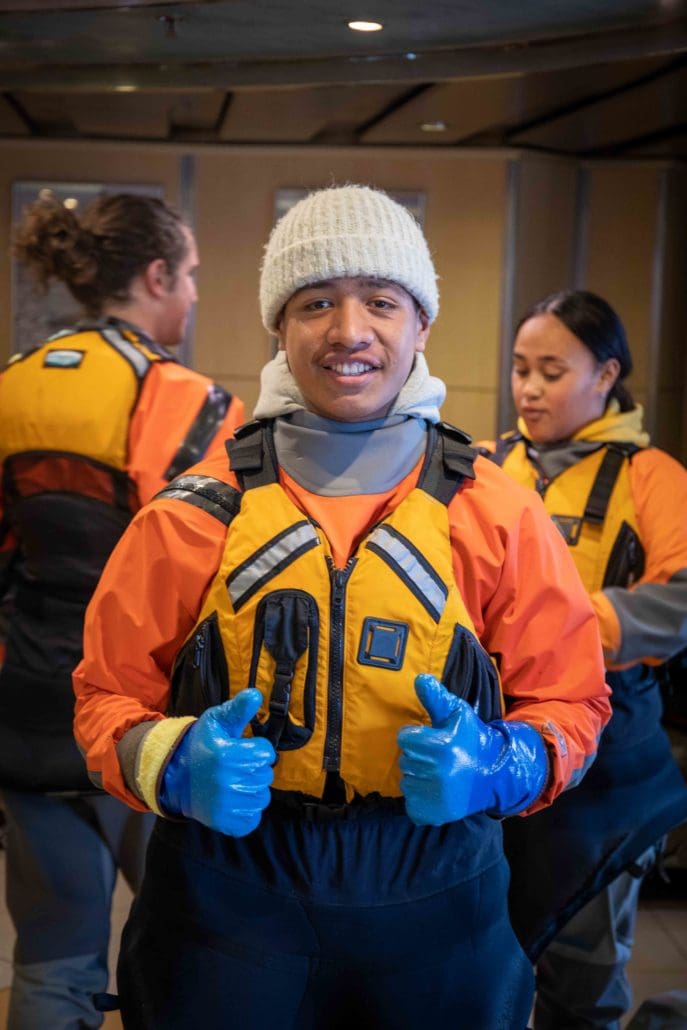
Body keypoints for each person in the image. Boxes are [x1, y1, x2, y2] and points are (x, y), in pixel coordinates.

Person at [73, 185, 611, 1030]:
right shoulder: (192, 514)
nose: (349, 330)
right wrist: (171, 762)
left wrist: (502, 763)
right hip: (225, 901)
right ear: (279, 329)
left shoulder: (495, 512)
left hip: (438, 897)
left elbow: (573, 701)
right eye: (316, 302)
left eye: (381, 302)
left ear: (421, 325)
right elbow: (104, 699)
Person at [0, 191, 245, 1029]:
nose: (195, 293)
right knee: (198, 950)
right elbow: (217, 587)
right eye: (192, 275)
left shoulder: (12, 386)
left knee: (50, 962)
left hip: (28, 711)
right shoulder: (197, 407)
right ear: (155, 274)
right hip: (149, 723)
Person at [484, 289, 687, 1029]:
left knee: (582, 973)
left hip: (605, 757)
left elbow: (682, 600)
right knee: (491, 957)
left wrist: (574, 625)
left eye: (551, 371)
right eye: (518, 369)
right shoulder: (488, 465)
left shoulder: (649, 477)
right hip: (503, 741)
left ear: (605, 377)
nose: (528, 389)